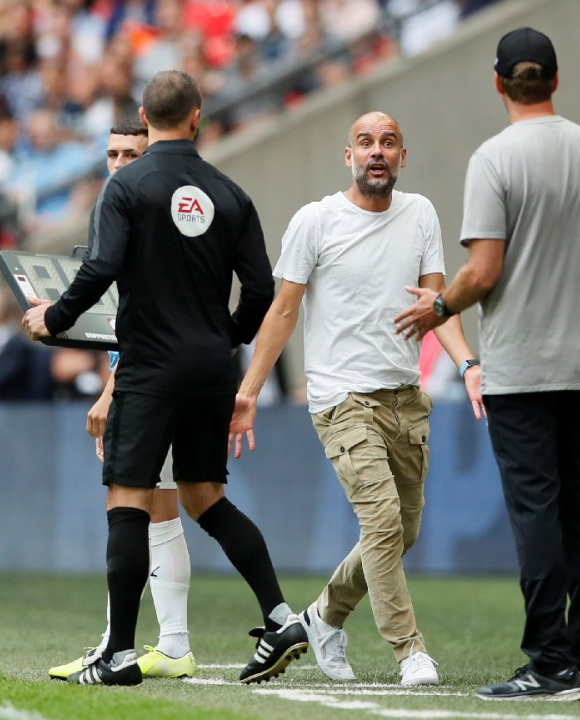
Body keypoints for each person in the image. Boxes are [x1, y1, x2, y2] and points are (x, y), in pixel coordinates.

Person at [22, 70, 307, 687]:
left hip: (149, 367)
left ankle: (119, 655)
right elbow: (260, 288)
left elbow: (100, 267)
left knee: (127, 497)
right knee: (206, 496)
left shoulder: (127, 187)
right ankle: (282, 616)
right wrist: (225, 336)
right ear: (198, 115)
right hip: (211, 368)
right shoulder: (231, 194)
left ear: (146, 121)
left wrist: (55, 318)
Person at [395, 28, 580, 701]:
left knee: (538, 512)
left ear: (499, 83)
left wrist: (439, 307)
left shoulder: (493, 159)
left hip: (522, 368)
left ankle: (550, 661)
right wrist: (573, 306)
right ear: (556, 80)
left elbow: (484, 268)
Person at [230, 111, 482, 687]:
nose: (376, 152)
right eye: (365, 143)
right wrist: (247, 392)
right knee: (383, 520)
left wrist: (467, 363)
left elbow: (436, 304)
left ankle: (321, 617)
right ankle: (409, 650)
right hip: (341, 399)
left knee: (400, 532)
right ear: (349, 156)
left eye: (388, 143)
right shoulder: (315, 221)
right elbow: (283, 311)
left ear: (402, 157)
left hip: (405, 397)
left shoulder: (420, 213)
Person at [47, 117, 197, 682]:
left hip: (150, 385)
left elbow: (150, 324)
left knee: (131, 509)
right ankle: (173, 643)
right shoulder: (130, 214)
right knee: (159, 507)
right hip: (156, 378)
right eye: (111, 154)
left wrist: (112, 391)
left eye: (131, 153)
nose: (119, 164)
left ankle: (119, 643)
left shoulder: (146, 220)